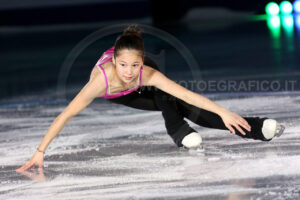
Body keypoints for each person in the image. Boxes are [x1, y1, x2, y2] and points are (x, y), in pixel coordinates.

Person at [16, 24, 285, 172]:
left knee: (176, 101)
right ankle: (181, 131)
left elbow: (187, 94)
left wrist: (225, 111)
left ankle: (255, 127)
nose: (130, 72)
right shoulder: (100, 82)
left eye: (135, 65)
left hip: (152, 81)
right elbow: (65, 115)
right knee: (170, 103)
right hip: (118, 95)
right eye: (124, 66)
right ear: (115, 62)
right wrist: (40, 152)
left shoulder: (147, 73)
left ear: (141, 61)